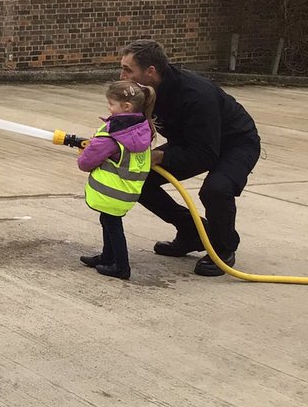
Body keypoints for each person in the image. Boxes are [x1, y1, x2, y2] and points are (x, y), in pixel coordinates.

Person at [119, 39, 262, 277]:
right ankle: (192, 232)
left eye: (127, 70)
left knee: (216, 189)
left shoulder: (196, 95)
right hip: (193, 141)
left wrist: (160, 155)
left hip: (236, 143)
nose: (122, 76)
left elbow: (205, 154)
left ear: (150, 71)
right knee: (139, 179)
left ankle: (222, 248)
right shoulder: (144, 92)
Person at [76, 80, 156, 280]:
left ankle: (121, 267)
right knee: (108, 220)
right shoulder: (141, 128)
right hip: (128, 190)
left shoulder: (113, 134)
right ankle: (107, 256)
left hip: (111, 192)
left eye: (111, 104)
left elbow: (86, 163)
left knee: (113, 225)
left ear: (126, 107)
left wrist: (86, 152)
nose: (108, 108)